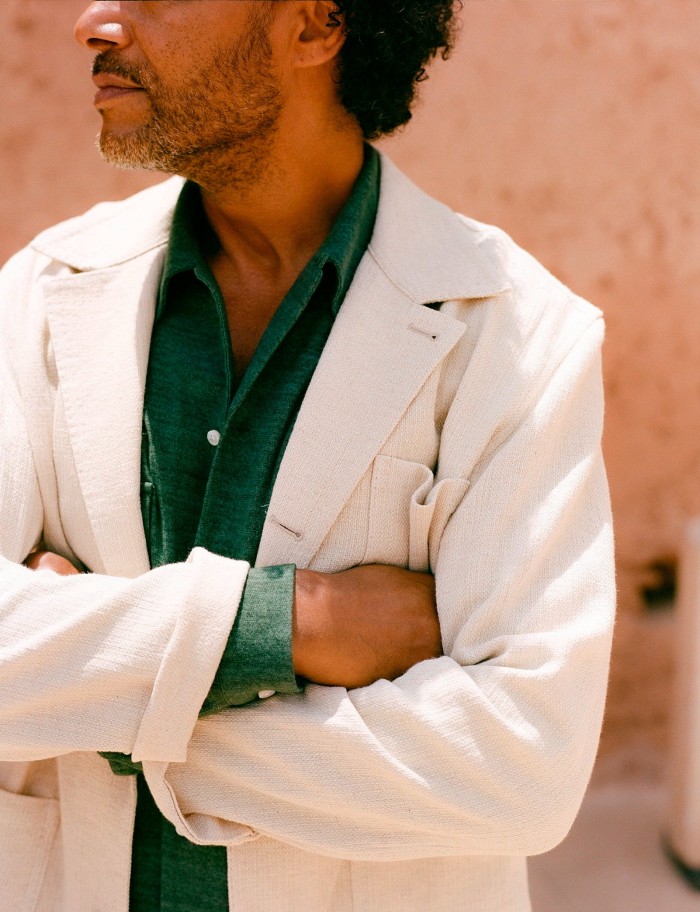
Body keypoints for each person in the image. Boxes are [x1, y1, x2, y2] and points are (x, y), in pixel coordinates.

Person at [0, 2, 615, 911]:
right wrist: (289, 627)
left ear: (317, 26)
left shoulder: (516, 334)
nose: (95, 21)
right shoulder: (46, 290)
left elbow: (522, 764)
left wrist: (102, 698)